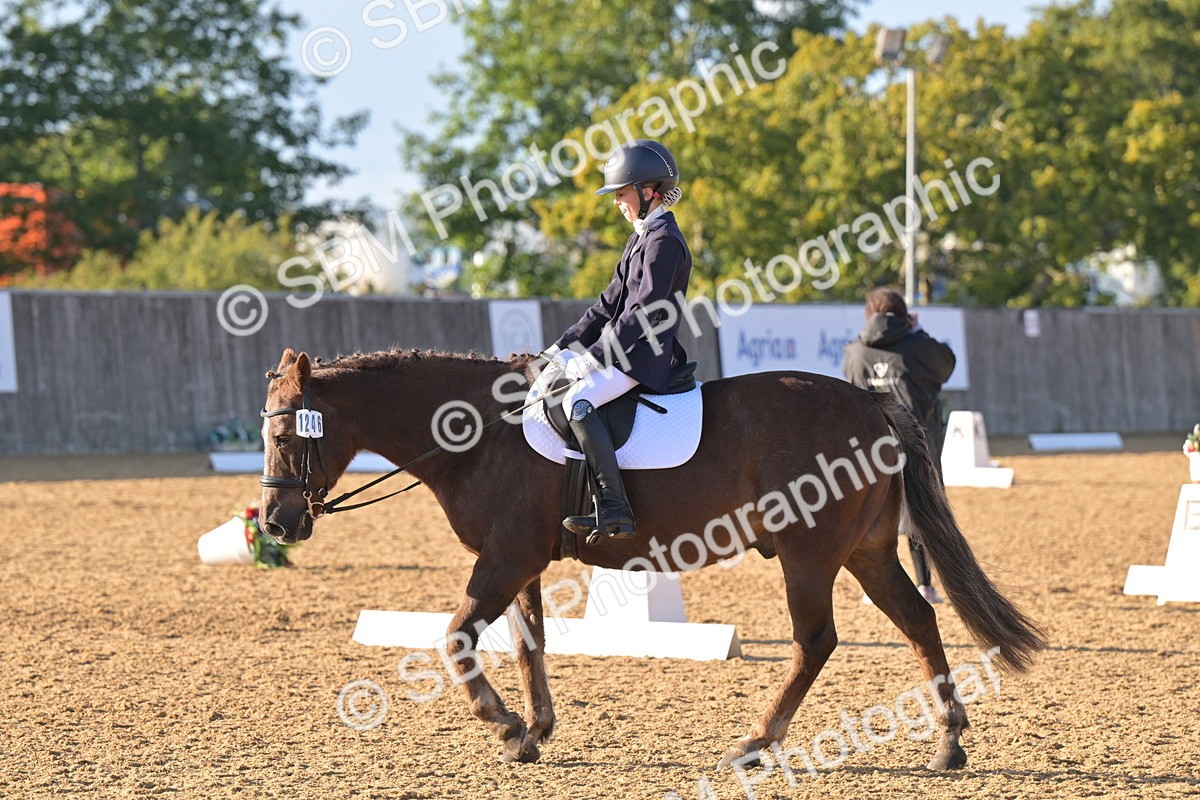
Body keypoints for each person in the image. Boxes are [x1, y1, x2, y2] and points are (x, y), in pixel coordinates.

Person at [542, 139, 692, 540]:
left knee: (578, 400)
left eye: (621, 194)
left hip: (644, 357)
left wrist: (592, 358)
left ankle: (613, 508)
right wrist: (560, 347)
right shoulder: (641, 237)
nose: (616, 203)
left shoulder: (664, 242)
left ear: (648, 192)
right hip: (625, 350)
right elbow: (608, 304)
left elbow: (643, 312)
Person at [843, 287, 956, 604]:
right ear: (905, 315)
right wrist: (919, 331)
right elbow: (947, 364)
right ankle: (925, 584)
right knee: (923, 513)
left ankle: (875, 586)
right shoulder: (919, 347)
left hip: (873, 448)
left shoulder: (855, 352)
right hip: (917, 444)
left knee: (874, 513)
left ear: (870, 315)